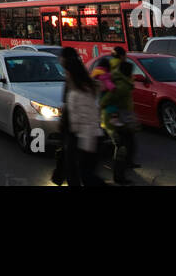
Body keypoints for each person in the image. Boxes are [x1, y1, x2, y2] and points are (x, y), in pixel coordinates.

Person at [58, 48, 103, 186]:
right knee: (85, 174)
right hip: (93, 134)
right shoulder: (88, 87)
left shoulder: (74, 92)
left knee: (81, 174)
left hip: (79, 137)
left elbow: (76, 121)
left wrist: (64, 129)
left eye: (61, 57)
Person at [101, 57, 139, 185]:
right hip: (117, 119)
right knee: (122, 147)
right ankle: (119, 176)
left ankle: (122, 169)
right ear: (128, 73)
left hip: (122, 118)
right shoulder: (121, 86)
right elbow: (106, 101)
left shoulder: (122, 82)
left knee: (126, 145)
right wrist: (114, 114)